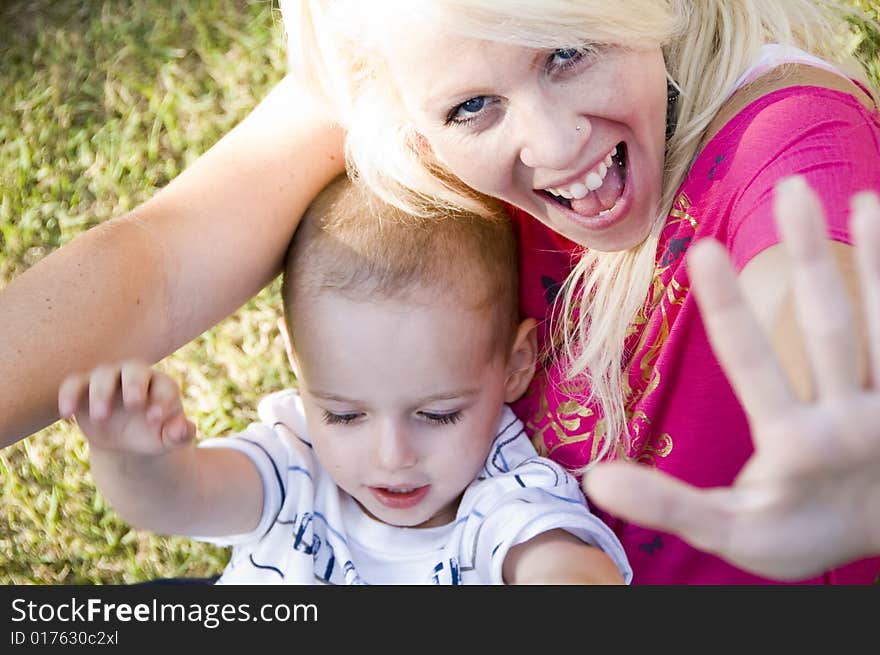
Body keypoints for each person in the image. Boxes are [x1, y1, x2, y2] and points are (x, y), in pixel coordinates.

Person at [2, 0, 879, 583]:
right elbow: (157, 258)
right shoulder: (416, 46)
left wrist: (842, 417)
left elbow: (814, 280)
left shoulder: (790, 132)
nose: (553, 141)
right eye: (471, 109)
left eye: (570, 51)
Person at [57, 175, 632, 585]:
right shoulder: (296, 459)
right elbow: (178, 503)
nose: (392, 456)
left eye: (437, 414)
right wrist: (133, 457)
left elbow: (558, 564)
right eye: (345, 414)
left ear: (515, 364)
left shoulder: (505, 494)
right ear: (297, 359)